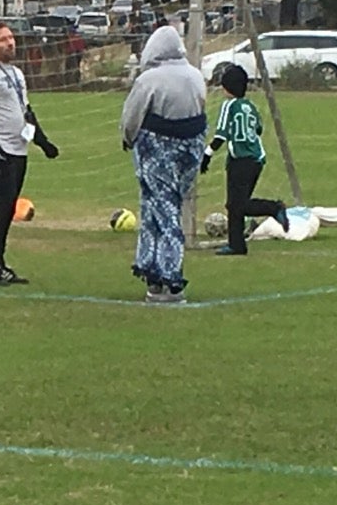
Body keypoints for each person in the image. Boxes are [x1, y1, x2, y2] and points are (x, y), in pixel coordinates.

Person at [119, 24, 208, 305]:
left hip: (156, 149)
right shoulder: (195, 75)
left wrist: (128, 137)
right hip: (191, 148)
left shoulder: (149, 80)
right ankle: (154, 275)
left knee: (161, 208)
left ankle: (170, 279)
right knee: (165, 205)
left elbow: (132, 116)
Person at [0, 20, 60, 285]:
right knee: (2, 206)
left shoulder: (16, 74)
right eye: (3, 40)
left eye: (11, 38)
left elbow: (26, 112)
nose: (10, 43)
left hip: (19, 150)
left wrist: (43, 142)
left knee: (8, 208)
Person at [206, 64, 289, 256]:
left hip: (241, 160)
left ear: (226, 87)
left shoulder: (229, 105)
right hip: (256, 159)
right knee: (235, 204)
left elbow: (221, 135)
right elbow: (258, 128)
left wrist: (207, 154)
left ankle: (274, 208)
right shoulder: (250, 106)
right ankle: (237, 245)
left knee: (238, 204)